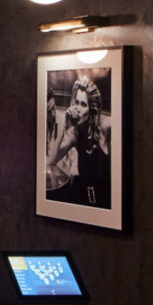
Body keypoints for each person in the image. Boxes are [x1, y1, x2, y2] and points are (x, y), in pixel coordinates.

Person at [48, 76, 112, 208]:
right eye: (76, 102)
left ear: (92, 109)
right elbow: (51, 161)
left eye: (83, 104)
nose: (77, 108)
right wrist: (64, 126)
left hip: (104, 202)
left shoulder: (105, 126)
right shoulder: (75, 133)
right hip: (82, 199)